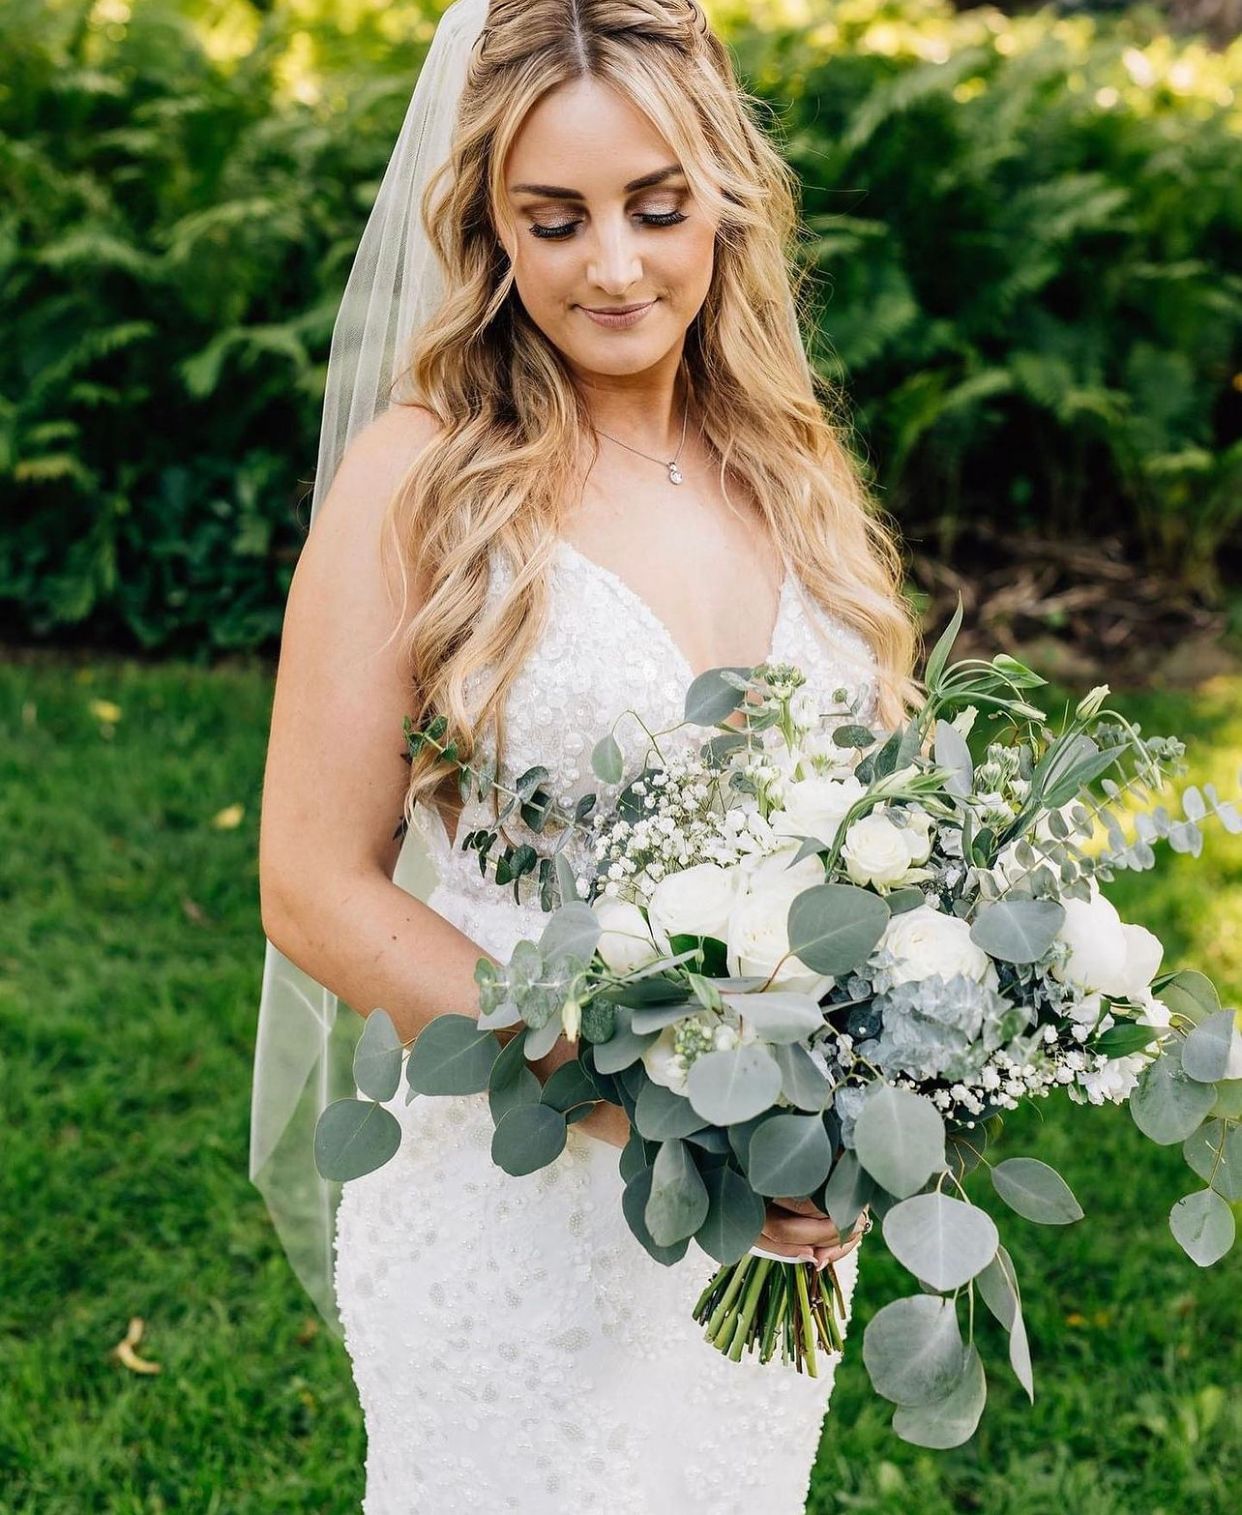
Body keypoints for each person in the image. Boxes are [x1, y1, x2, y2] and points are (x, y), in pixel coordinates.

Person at [257, 2, 921, 1509]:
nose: (613, 266)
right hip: (518, 1197)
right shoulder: (422, 481)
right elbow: (310, 883)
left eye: (656, 209)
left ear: (726, 200)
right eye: (555, 221)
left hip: (773, 1209)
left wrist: (869, 1087)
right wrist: (653, 1107)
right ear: (488, 227)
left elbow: (882, 810)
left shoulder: (786, 462)